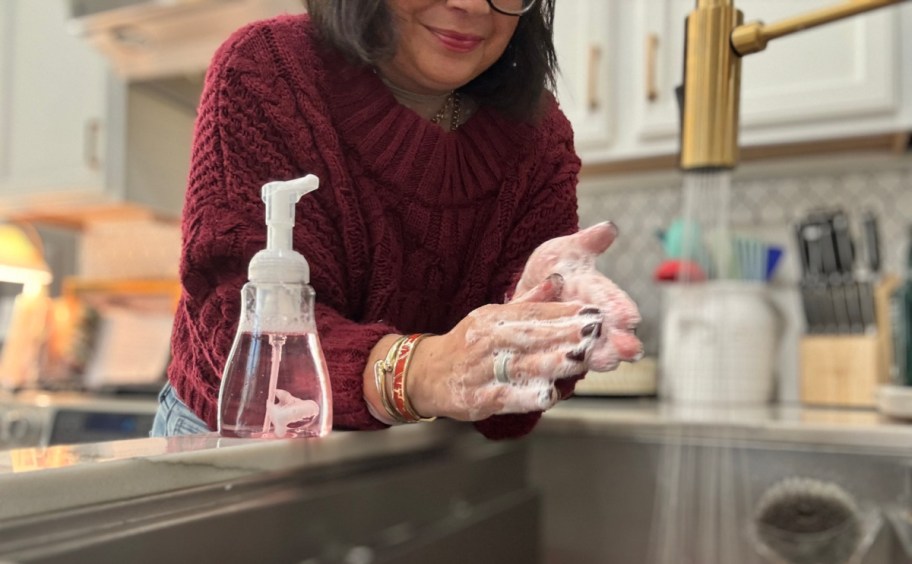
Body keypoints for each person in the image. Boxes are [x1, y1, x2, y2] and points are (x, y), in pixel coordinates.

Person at [151, 0, 642, 440]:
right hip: (234, 442)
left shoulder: (539, 136)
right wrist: (422, 372)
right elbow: (233, 326)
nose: (471, 5)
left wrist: (539, 313)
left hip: (411, 458)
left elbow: (504, 415)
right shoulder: (267, 70)